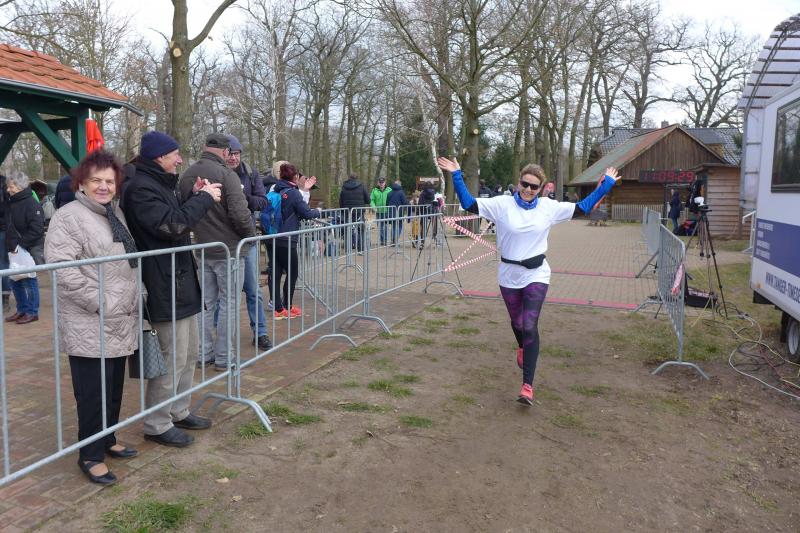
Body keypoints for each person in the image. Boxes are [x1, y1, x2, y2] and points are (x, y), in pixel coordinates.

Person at [437, 156, 620, 405]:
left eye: (534, 186)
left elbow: (582, 208)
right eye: (525, 184)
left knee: (530, 324)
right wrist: (457, 175)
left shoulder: (548, 207)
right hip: (509, 274)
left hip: (536, 273)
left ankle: (527, 386)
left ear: (541, 188)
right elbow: (469, 204)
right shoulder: (501, 204)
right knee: (518, 323)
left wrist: (606, 184)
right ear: (519, 182)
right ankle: (522, 346)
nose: (528, 189)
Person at [121, 131, 222, 448]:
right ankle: (157, 423)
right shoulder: (140, 188)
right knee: (171, 358)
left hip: (179, 280)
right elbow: (172, 226)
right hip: (163, 283)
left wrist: (193, 196)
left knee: (188, 354)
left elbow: (174, 217)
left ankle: (178, 410)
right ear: (158, 156)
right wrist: (204, 199)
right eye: (174, 154)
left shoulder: (158, 184)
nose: (179, 160)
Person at [44, 149, 139, 485]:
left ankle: (107, 438)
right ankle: (90, 455)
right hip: (90, 319)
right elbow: (63, 269)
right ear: (81, 184)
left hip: (119, 318)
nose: (103, 186)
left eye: (109, 181)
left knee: (113, 387)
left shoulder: (113, 212)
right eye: (96, 180)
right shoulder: (68, 217)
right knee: (92, 392)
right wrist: (100, 303)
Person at [179, 133, 257, 372]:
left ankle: (203, 353)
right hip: (229, 250)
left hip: (203, 248)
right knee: (229, 304)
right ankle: (224, 357)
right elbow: (240, 214)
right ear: (225, 151)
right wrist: (251, 236)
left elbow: (183, 210)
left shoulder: (187, 174)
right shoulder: (227, 175)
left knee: (206, 304)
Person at [223, 135, 270, 350]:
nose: (233, 158)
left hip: (247, 239)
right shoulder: (217, 173)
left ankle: (260, 332)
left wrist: (242, 198)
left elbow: (263, 201)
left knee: (253, 290)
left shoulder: (251, 174)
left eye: (236, 154)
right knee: (223, 293)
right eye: (230, 154)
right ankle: (222, 339)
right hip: (222, 240)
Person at [265, 163, 321, 319]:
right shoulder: (294, 193)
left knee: (276, 272)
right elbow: (306, 213)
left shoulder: (274, 189)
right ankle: (287, 306)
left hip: (271, 237)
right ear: (295, 177)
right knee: (292, 272)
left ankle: (278, 308)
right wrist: (318, 211)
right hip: (287, 239)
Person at [4, 170, 43, 325]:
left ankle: (32, 312)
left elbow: (37, 229)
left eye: (11, 186)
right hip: (14, 248)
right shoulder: (12, 201)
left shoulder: (31, 203)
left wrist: (21, 245)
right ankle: (22, 309)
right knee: (15, 281)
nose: (8, 189)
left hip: (25, 248)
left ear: (19, 186)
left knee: (28, 280)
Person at [339, 173, 369, 252]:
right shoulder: (362, 186)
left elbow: (341, 200)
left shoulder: (344, 187)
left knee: (347, 229)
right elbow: (368, 200)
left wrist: (342, 209)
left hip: (347, 212)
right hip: (359, 211)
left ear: (349, 178)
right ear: (357, 178)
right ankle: (361, 248)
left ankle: (347, 249)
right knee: (361, 229)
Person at [370, 177, 391, 246]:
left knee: (385, 226)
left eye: (383, 182)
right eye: (380, 182)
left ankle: (385, 240)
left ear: (385, 183)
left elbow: (392, 199)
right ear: (378, 183)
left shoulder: (389, 190)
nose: (381, 184)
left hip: (386, 211)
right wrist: (373, 207)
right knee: (380, 227)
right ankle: (382, 241)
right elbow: (372, 200)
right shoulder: (374, 190)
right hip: (378, 212)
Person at [386, 180, 409, 245]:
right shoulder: (401, 193)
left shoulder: (389, 193)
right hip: (399, 212)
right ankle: (395, 240)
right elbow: (405, 202)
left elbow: (387, 203)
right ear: (400, 185)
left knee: (393, 226)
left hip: (391, 212)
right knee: (399, 226)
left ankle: (393, 240)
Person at [0, 174, 10, 313]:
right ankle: (5, 298)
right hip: (4, 229)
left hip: (3, 230)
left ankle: (5, 297)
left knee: (3, 263)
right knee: (3, 262)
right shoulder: (5, 183)